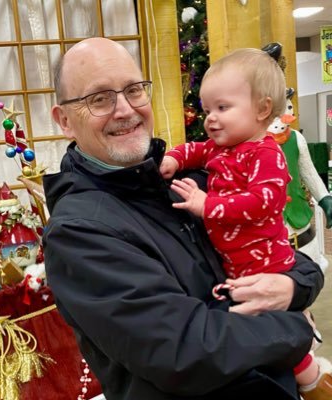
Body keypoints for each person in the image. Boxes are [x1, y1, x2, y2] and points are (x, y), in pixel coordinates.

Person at [43, 38, 324, 400]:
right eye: (100, 99)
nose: (125, 109)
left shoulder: (182, 182)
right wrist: (294, 327)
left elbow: (273, 248)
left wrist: (294, 287)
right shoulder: (79, 232)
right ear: (64, 120)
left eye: (134, 90)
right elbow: (185, 350)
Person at [160, 47, 332, 399]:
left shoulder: (265, 154)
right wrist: (173, 158)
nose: (211, 119)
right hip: (235, 263)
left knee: (273, 327)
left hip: (264, 262)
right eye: (207, 110)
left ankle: (313, 379)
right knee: (257, 325)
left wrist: (208, 204)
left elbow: (261, 203)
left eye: (222, 108)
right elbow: (194, 150)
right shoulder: (220, 148)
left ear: (263, 109)